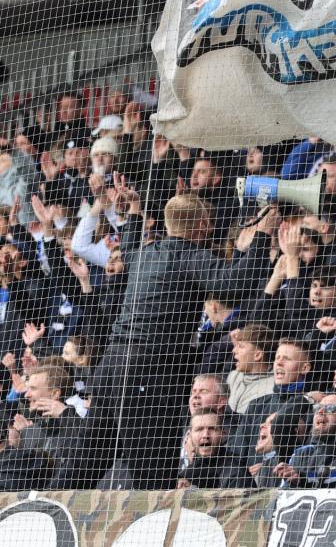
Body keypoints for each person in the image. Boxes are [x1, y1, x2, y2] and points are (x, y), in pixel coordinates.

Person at [80, 194, 277, 489]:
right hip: (146, 371)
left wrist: (134, 212)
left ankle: (48, 506)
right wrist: (262, 235)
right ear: (201, 225)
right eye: (209, 223)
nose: (212, 228)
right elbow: (235, 284)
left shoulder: (146, 253)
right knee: (154, 469)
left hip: (111, 367)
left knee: (88, 460)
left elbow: (129, 248)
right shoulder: (187, 255)